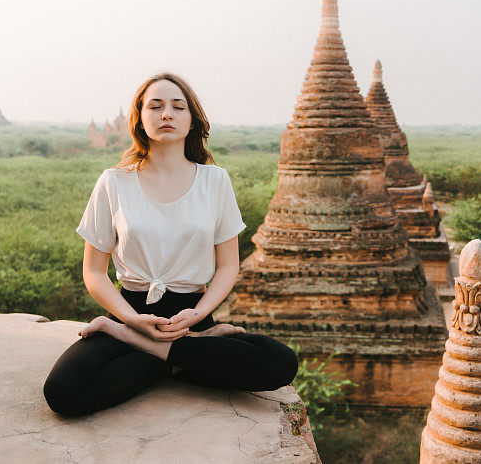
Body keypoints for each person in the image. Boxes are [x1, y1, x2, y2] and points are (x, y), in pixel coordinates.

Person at [43, 72, 298, 417]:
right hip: (129, 313)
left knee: (280, 363)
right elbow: (94, 271)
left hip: (190, 317)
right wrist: (130, 321)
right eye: (156, 106)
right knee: (64, 392)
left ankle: (165, 351)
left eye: (178, 107)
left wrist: (199, 315)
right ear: (139, 118)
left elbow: (228, 265)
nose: (167, 114)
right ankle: (179, 358)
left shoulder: (215, 180)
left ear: (192, 120)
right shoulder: (114, 182)